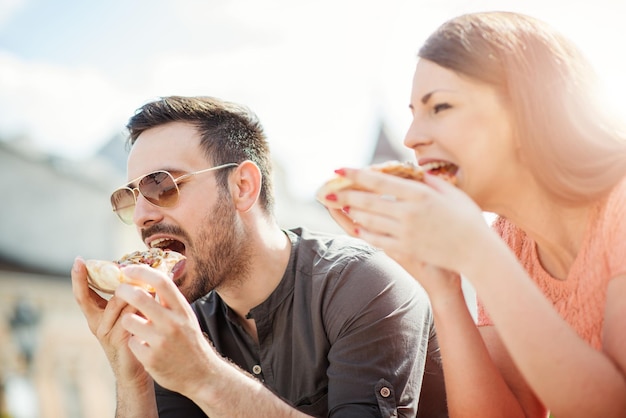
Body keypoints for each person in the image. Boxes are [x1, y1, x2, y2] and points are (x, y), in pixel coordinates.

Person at [320, 11, 626, 418]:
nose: (412, 137)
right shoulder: (508, 240)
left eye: (440, 107)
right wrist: (442, 286)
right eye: (413, 113)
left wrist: (477, 252)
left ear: (527, 108)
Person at [71, 95, 447, 418]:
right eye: (130, 196)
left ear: (242, 186)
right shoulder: (183, 324)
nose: (141, 215)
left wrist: (206, 376)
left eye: (160, 185)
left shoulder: (363, 284)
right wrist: (131, 375)